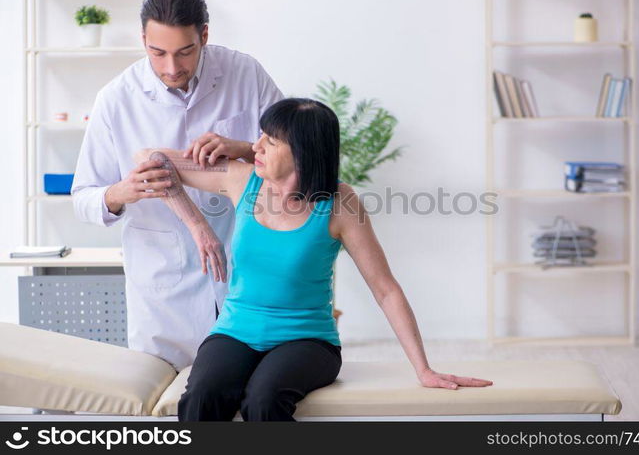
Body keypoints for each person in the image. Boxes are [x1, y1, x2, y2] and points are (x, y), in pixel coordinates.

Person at [134, 98, 494, 422]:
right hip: (234, 331)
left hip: (307, 341)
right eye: (261, 137)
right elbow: (150, 159)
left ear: (302, 153)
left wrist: (423, 369)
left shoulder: (339, 203)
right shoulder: (242, 180)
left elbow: (385, 290)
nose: (254, 147)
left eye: (270, 142)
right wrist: (197, 225)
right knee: (202, 397)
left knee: (263, 400)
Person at [71, 0, 283, 372]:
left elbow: (290, 153)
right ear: (143, 40)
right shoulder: (116, 99)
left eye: (185, 52)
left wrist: (239, 147)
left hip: (245, 269)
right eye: (158, 53)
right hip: (163, 288)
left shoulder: (245, 73)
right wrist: (121, 192)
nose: (172, 67)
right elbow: (83, 196)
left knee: (251, 395)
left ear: (204, 35)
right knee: (169, 409)